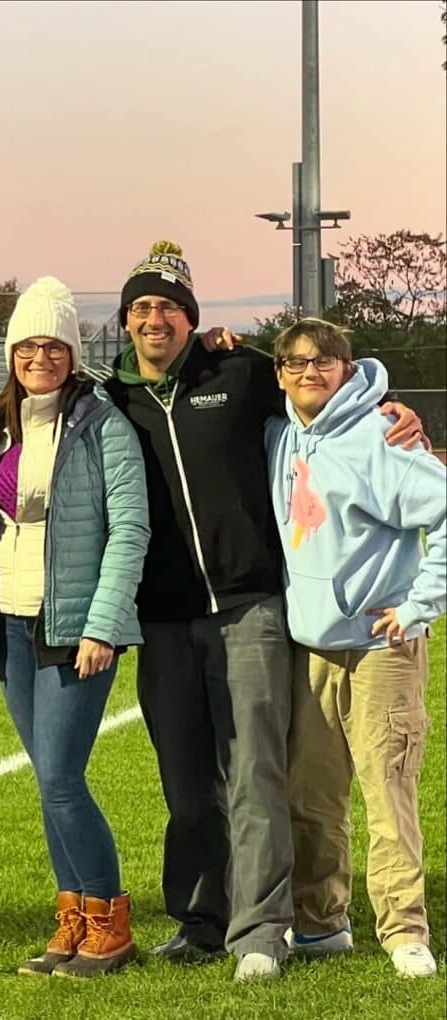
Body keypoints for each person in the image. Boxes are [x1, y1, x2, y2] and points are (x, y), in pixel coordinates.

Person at [100, 241, 425, 983]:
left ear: (192, 319)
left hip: (249, 606)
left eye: (170, 308)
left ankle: (261, 930)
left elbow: (324, 399)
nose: (156, 318)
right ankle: (199, 922)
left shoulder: (239, 372)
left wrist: (390, 409)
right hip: (162, 619)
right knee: (186, 784)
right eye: (143, 307)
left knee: (254, 771)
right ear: (126, 321)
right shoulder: (109, 400)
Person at [0, 277, 149, 978]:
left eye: (53, 345)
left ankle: (111, 924)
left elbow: (129, 530)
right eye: (28, 345)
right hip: (11, 620)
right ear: (12, 351)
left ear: (72, 351)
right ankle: (73, 922)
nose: (40, 357)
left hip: (74, 623)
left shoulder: (102, 423)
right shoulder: (3, 421)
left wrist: (104, 624)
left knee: (61, 778)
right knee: (47, 778)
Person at [264, 318, 444, 980]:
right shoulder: (278, 436)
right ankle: (321, 921)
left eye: (324, 361)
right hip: (310, 645)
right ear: (279, 372)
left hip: (378, 647)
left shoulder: (381, 437)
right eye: (296, 362)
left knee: (387, 789)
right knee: (312, 797)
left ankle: (404, 929)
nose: (310, 372)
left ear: (347, 367)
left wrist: (418, 606)